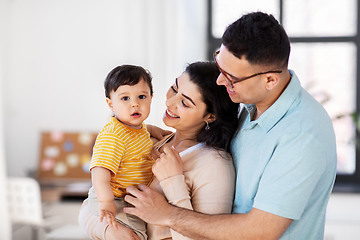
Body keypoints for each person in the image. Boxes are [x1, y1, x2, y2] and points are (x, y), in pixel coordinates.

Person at [123, 11, 337, 240]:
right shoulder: (248, 105)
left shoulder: (301, 135)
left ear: (270, 80)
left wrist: (168, 214)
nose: (220, 81)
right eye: (219, 63)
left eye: (231, 77)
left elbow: (261, 230)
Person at [78, 61, 240, 240]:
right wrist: (110, 231)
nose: (169, 102)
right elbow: (89, 206)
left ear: (210, 116)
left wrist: (174, 184)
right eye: (174, 88)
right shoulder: (152, 140)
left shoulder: (215, 165)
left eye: (185, 103)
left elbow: (210, 237)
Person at [79, 65, 155, 240]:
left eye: (142, 96)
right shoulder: (113, 134)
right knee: (133, 237)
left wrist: (156, 131)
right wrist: (106, 202)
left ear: (151, 98)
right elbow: (100, 172)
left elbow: (144, 130)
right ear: (111, 104)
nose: (135, 103)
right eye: (125, 98)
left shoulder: (136, 127)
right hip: (113, 198)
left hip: (126, 197)